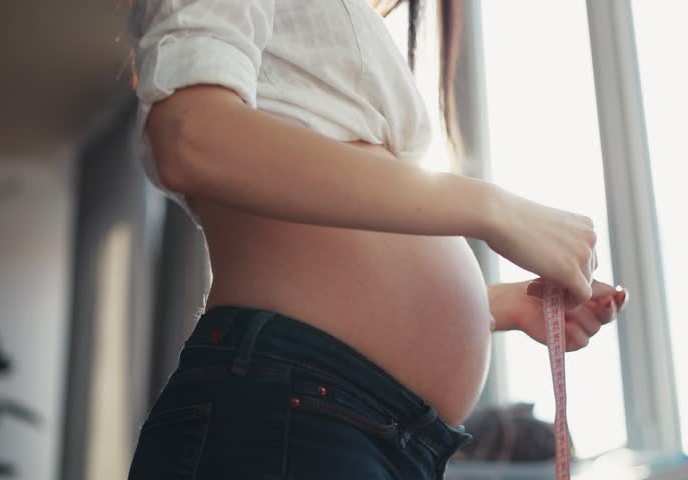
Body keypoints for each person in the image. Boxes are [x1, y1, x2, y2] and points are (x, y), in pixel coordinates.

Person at [125, 0, 628, 478]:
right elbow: (192, 135)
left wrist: (496, 306)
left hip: (355, 424)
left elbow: (330, 264)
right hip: (298, 411)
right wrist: (494, 209)